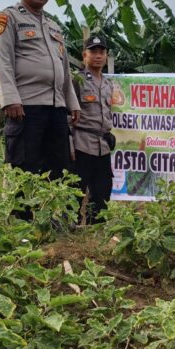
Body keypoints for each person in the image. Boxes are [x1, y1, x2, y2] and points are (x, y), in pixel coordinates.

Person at [0, 0, 81, 183]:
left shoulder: (54, 26)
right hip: (25, 108)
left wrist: (73, 103)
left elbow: (64, 69)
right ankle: (23, 217)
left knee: (58, 169)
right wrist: (10, 99)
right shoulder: (8, 18)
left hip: (57, 109)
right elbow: (2, 60)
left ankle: (50, 217)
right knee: (26, 169)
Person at [71, 35, 115, 225]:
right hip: (82, 143)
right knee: (75, 191)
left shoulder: (108, 84)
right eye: (93, 52)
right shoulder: (76, 80)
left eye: (102, 52)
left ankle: (94, 229)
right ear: (84, 55)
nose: (98, 56)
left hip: (102, 145)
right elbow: (67, 112)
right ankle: (70, 229)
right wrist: (68, 142)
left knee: (102, 191)